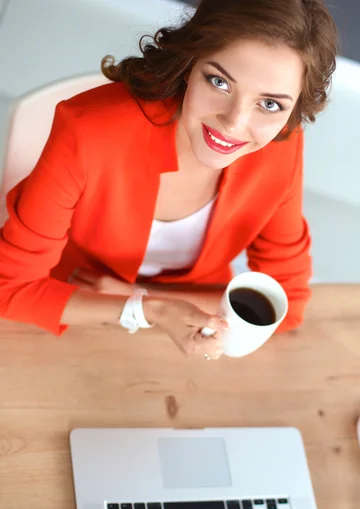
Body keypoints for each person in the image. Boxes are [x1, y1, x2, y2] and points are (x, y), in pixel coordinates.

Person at [0, 0, 338, 360]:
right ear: (189, 63)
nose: (234, 123)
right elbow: (10, 290)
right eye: (219, 81)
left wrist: (145, 297)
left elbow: (289, 301)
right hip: (78, 302)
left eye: (270, 104)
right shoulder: (88, 131)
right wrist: (149, 309)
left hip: (189, 321)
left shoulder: (283, 144)